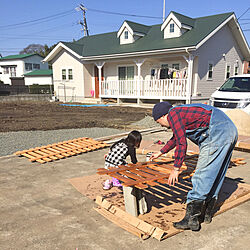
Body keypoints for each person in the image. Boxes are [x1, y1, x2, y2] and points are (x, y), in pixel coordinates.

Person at [150, 101, 238, 231]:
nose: (163, 126)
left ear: (162, 116)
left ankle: (191, 220)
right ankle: (206, 214)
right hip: (229, 129)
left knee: (202, 175)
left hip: (217, 131)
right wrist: (161, 152)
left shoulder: (173, 114)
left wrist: (176, 169)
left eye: (159, 122)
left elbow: (181, 143)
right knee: (215, 174)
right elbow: (176, 137)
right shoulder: (180, 112)